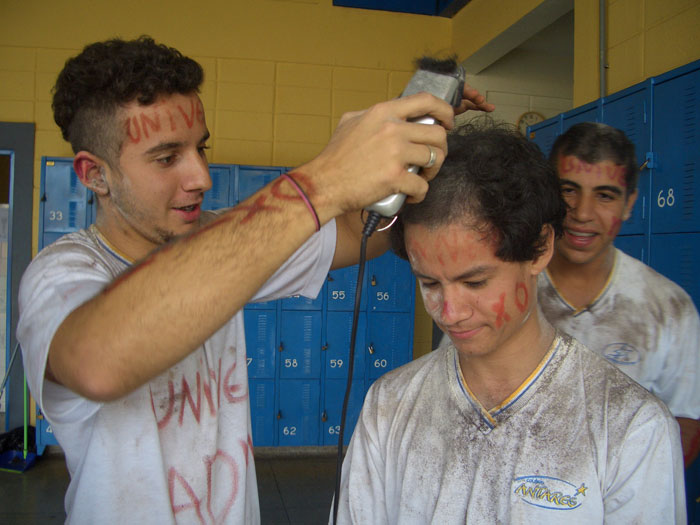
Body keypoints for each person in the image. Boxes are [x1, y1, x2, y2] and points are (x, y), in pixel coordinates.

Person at [16, 37, 494, 523]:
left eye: (200, 148)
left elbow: (361, 233)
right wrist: (323, 180)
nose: (201, 177)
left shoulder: (223, 239)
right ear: (94, 175)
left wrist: (418, 157)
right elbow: (98, 364)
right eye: (167, 158)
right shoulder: (63, 273)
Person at [334, 120, 686, 523]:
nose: (450, 312)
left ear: (540, 248)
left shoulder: (629, 426)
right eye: (429, 283)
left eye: (475, 282)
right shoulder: (389, 405)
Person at [538, 122, 700, 471]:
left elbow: (685, 422)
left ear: (629, 204)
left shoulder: (670, 308)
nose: (583, 213)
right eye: (569, 190)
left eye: (605, 196)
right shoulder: (505, 288)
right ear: (548, 194)